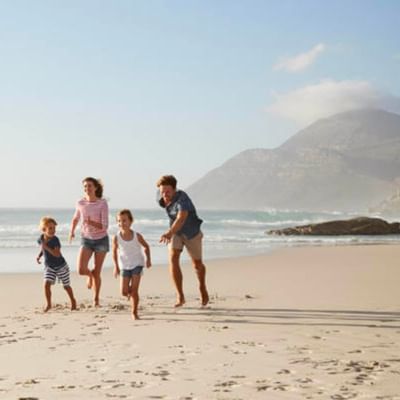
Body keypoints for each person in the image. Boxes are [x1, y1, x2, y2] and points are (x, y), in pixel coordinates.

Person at [157, 175, 209, 307]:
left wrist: (169, 233)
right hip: (176, 232)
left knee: (197, 264)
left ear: (175, 189)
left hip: (192, 233)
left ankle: (202, 287)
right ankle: (180, 295)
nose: (164, 194)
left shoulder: (182, 198)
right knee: (173, 258)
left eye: (167, 191)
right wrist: (172, 232)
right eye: (162, 191)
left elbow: (181, 217)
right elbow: (173, 217)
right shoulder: (161, 197)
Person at [69, 177, 109, 307]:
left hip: (101, 240)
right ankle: (89, 276)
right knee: (81, 270)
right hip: (86, 239)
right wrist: (72, 231)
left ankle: (96, 299)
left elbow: (104, 226)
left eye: (90, 186)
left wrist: (90, 222)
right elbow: (76, 218)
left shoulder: (102, 203)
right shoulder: (80, 202)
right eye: (85, 186)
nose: (87, 188)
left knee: (97, 271)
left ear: (96, 187)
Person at [112, 209, 152, 320]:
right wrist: (116, 267)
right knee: (124, 292)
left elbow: (146, 246)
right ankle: (132, 296)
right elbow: (114, 252)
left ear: (130, 221)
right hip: (124, 265)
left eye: (124, 220)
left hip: (137, 264)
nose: (121, 223)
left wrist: (148, 260)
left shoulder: (137, 236)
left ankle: (134, 312)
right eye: (119, 221)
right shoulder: (116, 237)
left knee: (134, 291)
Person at [36, 217, 77, 312]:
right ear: (44, 229)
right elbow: (43, 249)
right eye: (50, 228)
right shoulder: (40, 239)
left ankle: (73, 300)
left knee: (66, 286)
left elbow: (57, 254)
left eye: (54, 228)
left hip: (61, 266)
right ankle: (49, 304)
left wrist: (46, 247)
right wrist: (39, 256)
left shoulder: (55, 240)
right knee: (46, 284)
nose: (53, 231)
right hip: (49, 267)